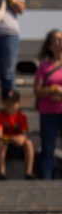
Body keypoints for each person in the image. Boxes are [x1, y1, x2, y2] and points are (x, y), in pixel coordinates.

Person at [33, 29, 62, 180]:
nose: (60, 42)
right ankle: (46, 180)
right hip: (48, 112)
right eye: (56, 39)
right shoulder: (44, 66)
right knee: (48, 148)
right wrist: (52, 89)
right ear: (50, 45)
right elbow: (37, 90)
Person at [0, 89, 35, 180]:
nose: (10, 105)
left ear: (18, 103)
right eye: (8, 102)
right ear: (3, 103)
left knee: (28, 143)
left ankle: (28, 172)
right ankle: (1, 172)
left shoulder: (22, 117)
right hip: (5, 142)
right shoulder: (0, 116)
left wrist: (21, 139)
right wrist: (11, 138)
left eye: (13, 102)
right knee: (1, 143)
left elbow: (24, 134)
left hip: (17, 144)